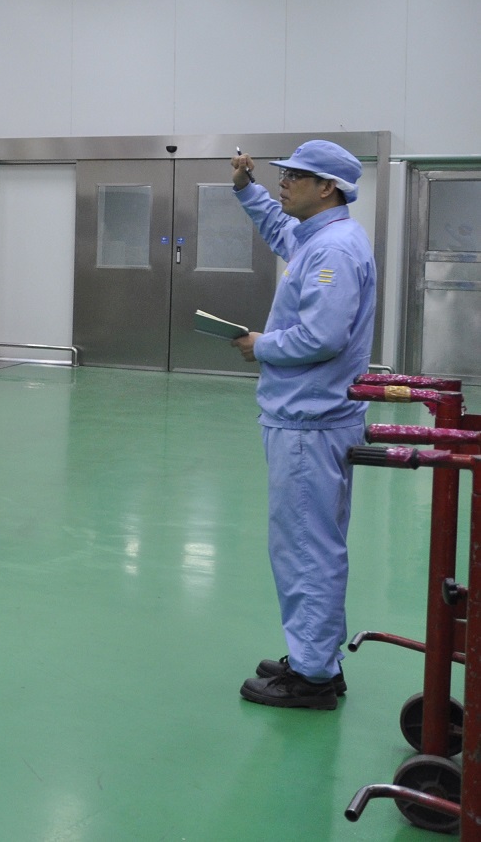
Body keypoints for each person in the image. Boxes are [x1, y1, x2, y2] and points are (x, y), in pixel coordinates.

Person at [230, 142, 377, 710]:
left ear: (328, 188)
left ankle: (313, 675)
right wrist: (246, 188)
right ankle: (318, 656)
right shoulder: (319, 237)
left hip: (310, 422)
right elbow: (278, 228)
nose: (284, 182)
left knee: (305, 547)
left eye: (296, 175)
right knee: (312, 541)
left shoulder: (333, 249)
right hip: (310, 417)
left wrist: (261, 345)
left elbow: (322, 336)